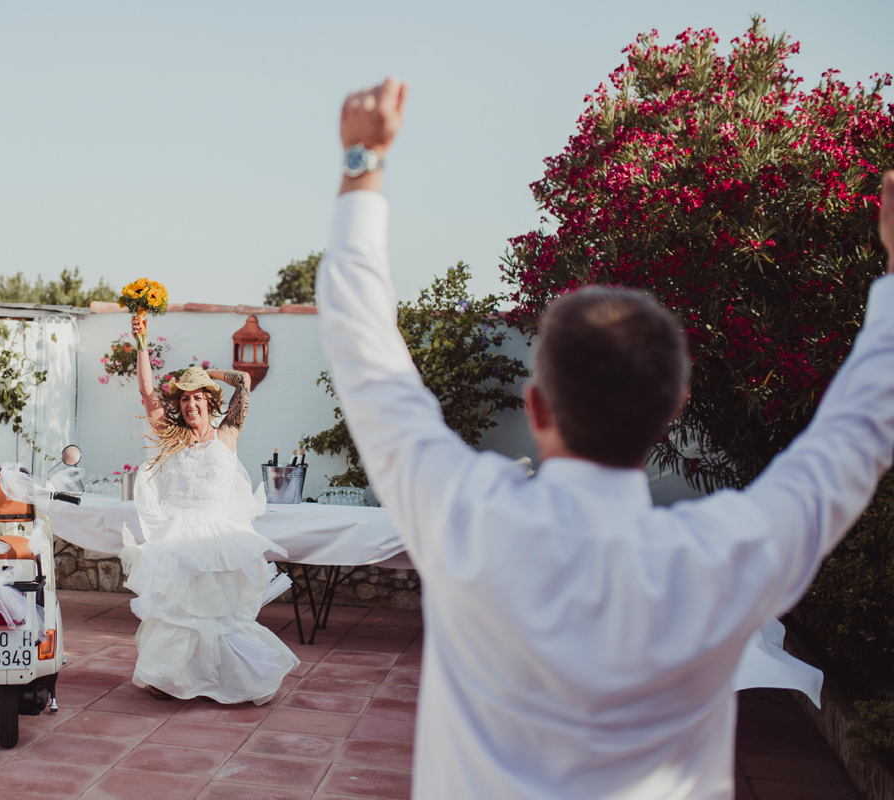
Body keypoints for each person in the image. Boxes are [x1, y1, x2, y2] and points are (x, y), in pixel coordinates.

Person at [315, 76, 894, 799]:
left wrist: (363, 159)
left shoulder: (465, 515)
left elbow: (362, 345)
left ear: (536, 405)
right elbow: (859, 432)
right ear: (674, 409)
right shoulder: (726, 554)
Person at [117, 315, 299, 703]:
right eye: (184, 398)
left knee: (220, 613)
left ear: (209, 401)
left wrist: (204, 373)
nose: (190, 404)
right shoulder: (171, 437)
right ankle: (169, 677)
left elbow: (244, 382)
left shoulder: (227, 432)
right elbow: (148, 392)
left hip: (219, 537)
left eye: (197, 397)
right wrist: (141, 344)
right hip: (180, 535)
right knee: (179, 612)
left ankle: (233, 678)